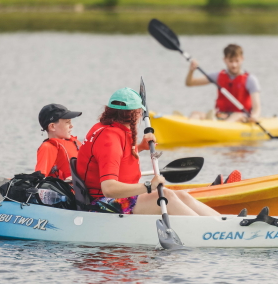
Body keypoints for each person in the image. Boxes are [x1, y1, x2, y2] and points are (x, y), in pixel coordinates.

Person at [75, 88, 220, 217]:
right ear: (136, 113)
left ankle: (223, 222)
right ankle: (212, 231)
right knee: (166, 196)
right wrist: (149, 186)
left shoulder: (107, 129)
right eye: (140, 112)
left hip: (116, 199)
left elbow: (113, 157)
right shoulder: (110, 139)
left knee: (181, 195)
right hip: (102, 204)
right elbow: (109, 188)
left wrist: (140, 147)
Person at [185, 43, 262, 122]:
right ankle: (188, 129)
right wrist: (191, 70)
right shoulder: (217, 76)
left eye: (237, 61)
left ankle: (218, 129)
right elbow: (190, 83)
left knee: (237, 116)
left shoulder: (250, 80)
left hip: (242, 117)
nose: (234, 65)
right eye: (230, 61)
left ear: (242, 59)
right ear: (224, 60)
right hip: (222, 115)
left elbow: (257, 107)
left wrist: (255, 116)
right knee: (195, 114)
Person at [35, 103, 82, 180]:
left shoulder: (73, 142)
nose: (71, 125)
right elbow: (39, 179)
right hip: (68, 190)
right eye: (67, 122)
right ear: (52, 126)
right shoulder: (48, 147)